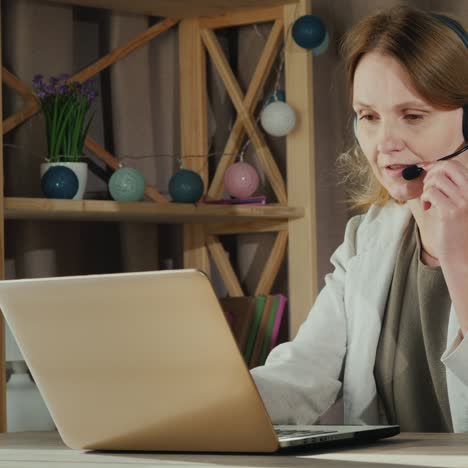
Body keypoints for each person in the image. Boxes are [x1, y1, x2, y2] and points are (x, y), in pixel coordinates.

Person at [251, 5, 468, 433]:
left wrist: (458, 258)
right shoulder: (366, 238)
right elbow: (303, 372)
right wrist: (198, 409)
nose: (384, 143)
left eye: (413, 116)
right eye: (368, 117)